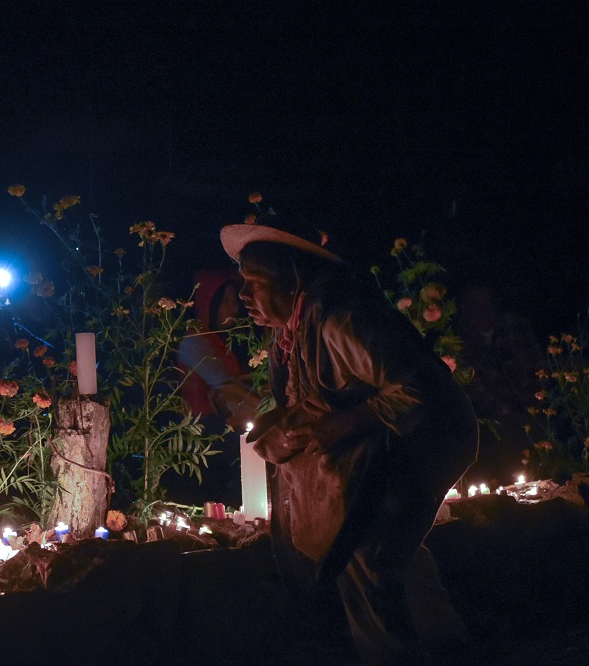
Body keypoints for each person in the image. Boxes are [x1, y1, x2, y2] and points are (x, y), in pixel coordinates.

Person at [221, 217, 478, 664]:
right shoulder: (293, 330)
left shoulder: (341, 319)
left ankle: (396, 655)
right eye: (242, 282)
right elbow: (318, 399)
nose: (243, 295)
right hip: (388, 446)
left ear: (292, 279)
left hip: (431, 437)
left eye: (254, 282)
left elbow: (419, 389)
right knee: (390, 548)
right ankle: (446, 645)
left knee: (366, 551)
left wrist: (334, 428)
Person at [458, 282, 544, 485]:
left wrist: (535, 411)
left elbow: (536, 369)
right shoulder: (460, 341)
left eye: (487, 304)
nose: (482, 311)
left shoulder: (514, 327)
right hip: (496, 422)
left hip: (532, 411)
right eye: (475, 306)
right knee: (503, 442)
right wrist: (511, 416)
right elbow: (476, 389)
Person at [178, 268, 261, 431]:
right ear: (211, 302)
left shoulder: (215, 338)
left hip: (222, 419)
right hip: (203, 426)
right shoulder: (194, 339)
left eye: (235, 302)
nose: (235, 309)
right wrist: (264, 408)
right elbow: (223, 383)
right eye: (227, 301)